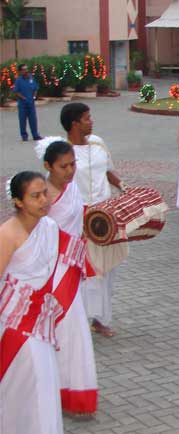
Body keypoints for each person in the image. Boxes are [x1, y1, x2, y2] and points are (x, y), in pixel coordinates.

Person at [0, 171, 85, 434]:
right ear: (18, 201)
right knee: (32, 385)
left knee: (42, 385)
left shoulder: (49, 227)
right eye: (35, 196)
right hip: (16, 323)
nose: (44, 200)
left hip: (41, 323)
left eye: (45, 193)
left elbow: (72, 252)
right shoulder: (7, 234)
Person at [39, 140, 99, 418]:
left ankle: (72, 389)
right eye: (63, 166)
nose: (70, 171)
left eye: (73, 164)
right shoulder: (41, 196)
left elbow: (80, 216)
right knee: (60, 332)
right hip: (51, 273)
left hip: (73, 268)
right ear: (48, 166)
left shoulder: (72, 187)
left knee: (74, 332)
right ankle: (52, 390)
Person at [61, 102, 127, 337]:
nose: (92, 121)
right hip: (79, 219)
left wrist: (122, 186)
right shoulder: (63, 152)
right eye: (87, 118)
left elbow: (108, 171)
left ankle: (101, 319)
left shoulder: (98, 143)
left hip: (105, 216)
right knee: (86, 271)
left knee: (107, 269)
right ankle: (80, 319)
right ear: (74, 124)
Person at [13, 63, 42, 141]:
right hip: (22, 104)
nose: (26, 71)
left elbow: (36, 88)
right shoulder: (18, 81)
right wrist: (23, 98)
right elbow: (16, 91)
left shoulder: (31, 79)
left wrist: (34, 97)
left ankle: (35, 135)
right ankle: (24, 136)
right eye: (24, 69)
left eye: (27, 69)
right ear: (20, 71)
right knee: (22, 120)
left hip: (31, 103)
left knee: (33, 120)